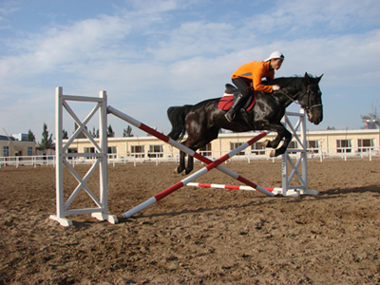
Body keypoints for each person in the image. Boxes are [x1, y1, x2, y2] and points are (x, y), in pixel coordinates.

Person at [224, 51, 285, 122]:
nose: (280, 65)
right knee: (246, 92)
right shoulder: (261, 67)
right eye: (279, 62)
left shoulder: (271, 71)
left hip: (249, 79)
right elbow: (257, 86)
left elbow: (270, 83)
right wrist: (272, 88)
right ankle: (231, 112)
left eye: (281, 62)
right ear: (273, 60)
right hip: (238, 77)